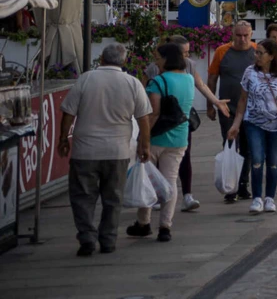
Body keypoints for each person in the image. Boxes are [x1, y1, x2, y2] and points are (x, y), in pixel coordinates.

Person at [59, 43, 152, 256]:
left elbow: (68, 113)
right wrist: (144, 145)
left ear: (101, 59)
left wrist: (63, 139)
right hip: (118, 151)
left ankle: (87, 238)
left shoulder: (86, 79)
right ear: (124, 61)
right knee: (113, 198)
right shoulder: (132, 83)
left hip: (85, 151)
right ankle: (108, 240)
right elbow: (143, 118)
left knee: (82, 198)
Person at [144, 34, 229, 213]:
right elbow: (146, 96)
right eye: (183, 53)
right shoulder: (153, 69)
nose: (186, 57)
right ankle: (160, 196)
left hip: (181, 119)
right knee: (159, 160)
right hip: (161, 121)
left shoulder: (189, 65)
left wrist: (216, 101)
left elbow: (201, 85)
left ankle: (187, 195)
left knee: (183, 157)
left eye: (188, 53)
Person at [125, 42, 196, 242]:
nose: (156, 62)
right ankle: (165, 226)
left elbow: (153, 114)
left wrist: (142, 139)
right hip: (180, 137)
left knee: (147, 179)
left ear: (166, 59)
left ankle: (143, 222)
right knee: (170, 180)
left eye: (158, 58)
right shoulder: (189, 79)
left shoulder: (157, 82)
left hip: (156, 138)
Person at [228, 39, 277, 214]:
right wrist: (236, 124)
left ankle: (270, 198)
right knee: (257, 160)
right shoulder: (250, 72)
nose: (256, 56)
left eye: (260, 53)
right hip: (254, 123)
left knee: (273, 163)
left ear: (271, 56)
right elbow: (243, 99)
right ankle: (257, 198)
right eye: (256, 52)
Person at [207, 21, 257, 202]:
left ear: (251, 35)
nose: (242, 39)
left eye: (246, 35)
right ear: (232, 34)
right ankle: (230, 186)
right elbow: (212, 79)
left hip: (252, 109)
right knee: (230, 145)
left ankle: (243, 184)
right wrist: (210, 104)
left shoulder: (257, 51)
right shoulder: (222, 51)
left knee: (248, 147)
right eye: (238, 35)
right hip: (227, 108)